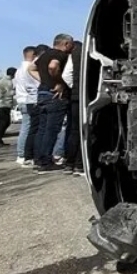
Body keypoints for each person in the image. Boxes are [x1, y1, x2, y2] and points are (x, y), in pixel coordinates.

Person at [29, 34, 74, 174]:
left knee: (42, 129)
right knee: (51, 130)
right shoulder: (60, 55)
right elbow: (53, 66)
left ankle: (38, 159)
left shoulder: (44, 54)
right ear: (66, 43)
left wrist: (44, 80)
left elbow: (30, 68)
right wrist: (58, 82)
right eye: (71, 45)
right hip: (55, 96)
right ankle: (46, 161)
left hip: (42, 94)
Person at [13, 46, 40, 166]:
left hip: (21, 99)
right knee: (28, 128)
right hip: (29, 99)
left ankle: (21, 153)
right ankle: (23, 154)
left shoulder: (19, 70)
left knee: (26, 127)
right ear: (33, 55)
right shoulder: (30, 68)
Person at [62, 40, 85, 176]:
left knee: (74, 131)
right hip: (87, 96)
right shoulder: (88, 51)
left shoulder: (74, 54)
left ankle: (69, 164)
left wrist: (74, 87)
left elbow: (66, 75)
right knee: (86, 131)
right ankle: (79, 164)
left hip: (75, 97)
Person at [0, 67, 15, 147]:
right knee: (3, 123)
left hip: (2, 105)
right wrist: (16, 91)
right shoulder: (7, 82)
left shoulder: (3, 81)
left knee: (4, 122)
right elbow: (9, 93)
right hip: (4, 104)